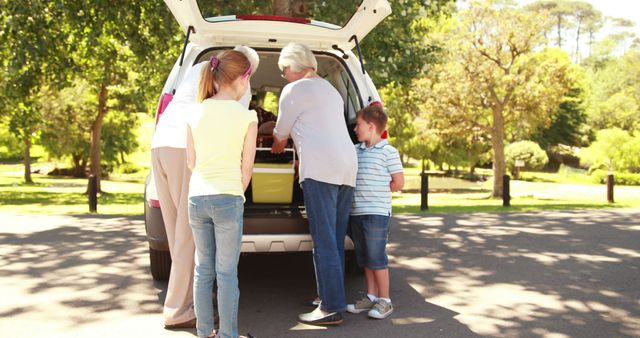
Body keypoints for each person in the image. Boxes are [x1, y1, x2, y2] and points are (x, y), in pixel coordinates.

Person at [272, 42, 357, 325]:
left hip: (321, 169)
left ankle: (331, 308)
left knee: (323, 241)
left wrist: (275, 147)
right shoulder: (331, 91)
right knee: (334, 238)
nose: (284, 76)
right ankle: (331, 296)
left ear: (292, 66)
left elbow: (281, 134)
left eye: (284, 70)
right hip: (347, 168)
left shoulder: (294, 90)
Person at [186, 50, 257, 338]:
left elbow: (191, 162)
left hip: (197, 197)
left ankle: (205, 333)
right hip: (228, 196)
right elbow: (247, 167)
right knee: (226, 274)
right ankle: (227, 335)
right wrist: (234, 193)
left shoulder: (195, 111)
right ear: (244, 78)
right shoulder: (246, 115)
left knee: (203, 271)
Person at [150, 60, 206, 330]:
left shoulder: (197, 68)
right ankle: (178, 311)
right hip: (183, 149)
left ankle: (190, 299)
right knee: (187, 235)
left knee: (176, 234)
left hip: (160, 145)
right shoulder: (235, 82)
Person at [346, 104, 404, 319]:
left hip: (377, 213)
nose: (355, 129)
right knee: (365, 258)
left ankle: (385, 300)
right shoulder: (356, 150)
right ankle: (371, 297)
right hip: (357, 213)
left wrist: (377, 190)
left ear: (370, 126)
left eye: (358, 125)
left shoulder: (388, 151)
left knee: (377, 258)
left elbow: (398, 182)